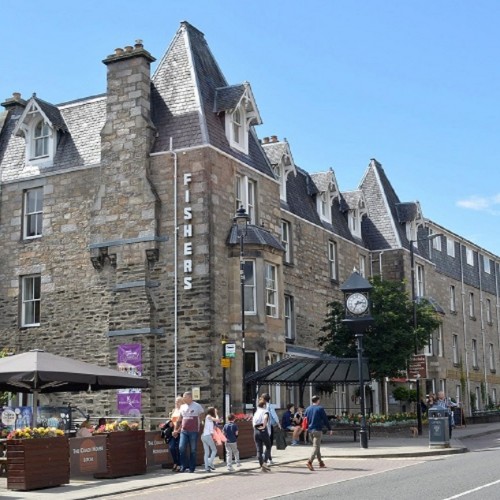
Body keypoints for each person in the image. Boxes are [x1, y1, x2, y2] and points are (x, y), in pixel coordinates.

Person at [175, 391, 205, 473]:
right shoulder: (182, 407)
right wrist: (176, 429)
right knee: (181, 448)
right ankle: (183, 466)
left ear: (190, 397)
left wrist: (199, 421)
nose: (183, 398)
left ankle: (192, 467)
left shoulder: (197, 406)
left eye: (185, 397)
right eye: (183, 397)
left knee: (193, 449)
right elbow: (180, 418)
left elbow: (202, 414)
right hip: (184, 430)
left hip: (193, 430)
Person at [304, 395, 333, 471]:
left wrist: (306, 428)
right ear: (318, 400)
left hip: (310, 430)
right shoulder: (320, 408)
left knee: (317, 447)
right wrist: (329, 429)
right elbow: (325, 419)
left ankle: (321, 462)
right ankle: (310, 461)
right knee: (316, 447)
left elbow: (305, 420)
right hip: (317, 430)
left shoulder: (307, 409)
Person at [252, 397, 271, 472]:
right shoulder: (265, 411)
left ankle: (261, 465)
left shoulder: (256, 412)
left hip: (256, 430)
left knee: (259, 450)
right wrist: (264, 425)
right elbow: (265, 417)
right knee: (268, 446)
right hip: (262, 430)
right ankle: (265, 462)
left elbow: (253, 422)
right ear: (264, 405)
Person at [261, 393, 281, 465]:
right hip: (268, 426)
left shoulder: (260, 406)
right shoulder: (270, 406)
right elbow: (274, 415)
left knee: (265, 443)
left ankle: (269, 458)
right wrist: (278, 423)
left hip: (261, 426)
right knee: (269, 443)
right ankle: (266, 458)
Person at [167, 395, 184, 471]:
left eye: (178, 402)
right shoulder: (174, 410)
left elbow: (183, 422)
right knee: (172, 447)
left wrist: (177, 430)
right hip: (172, 431)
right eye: (176, 402)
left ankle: (179, 464)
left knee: (179, 448)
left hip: (180, 431)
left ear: (182, 402)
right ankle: (175, 462)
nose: (176, 403)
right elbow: (171, 420)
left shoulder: (183, 410)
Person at [201, 406, 220, 472]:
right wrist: (216, 413)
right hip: (207, 436)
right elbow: (218, 420)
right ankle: (209, 463)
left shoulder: (208, 418)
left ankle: (207, 467)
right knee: (214, 450)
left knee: (207, 452)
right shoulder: (209, 416)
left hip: (204, 436)